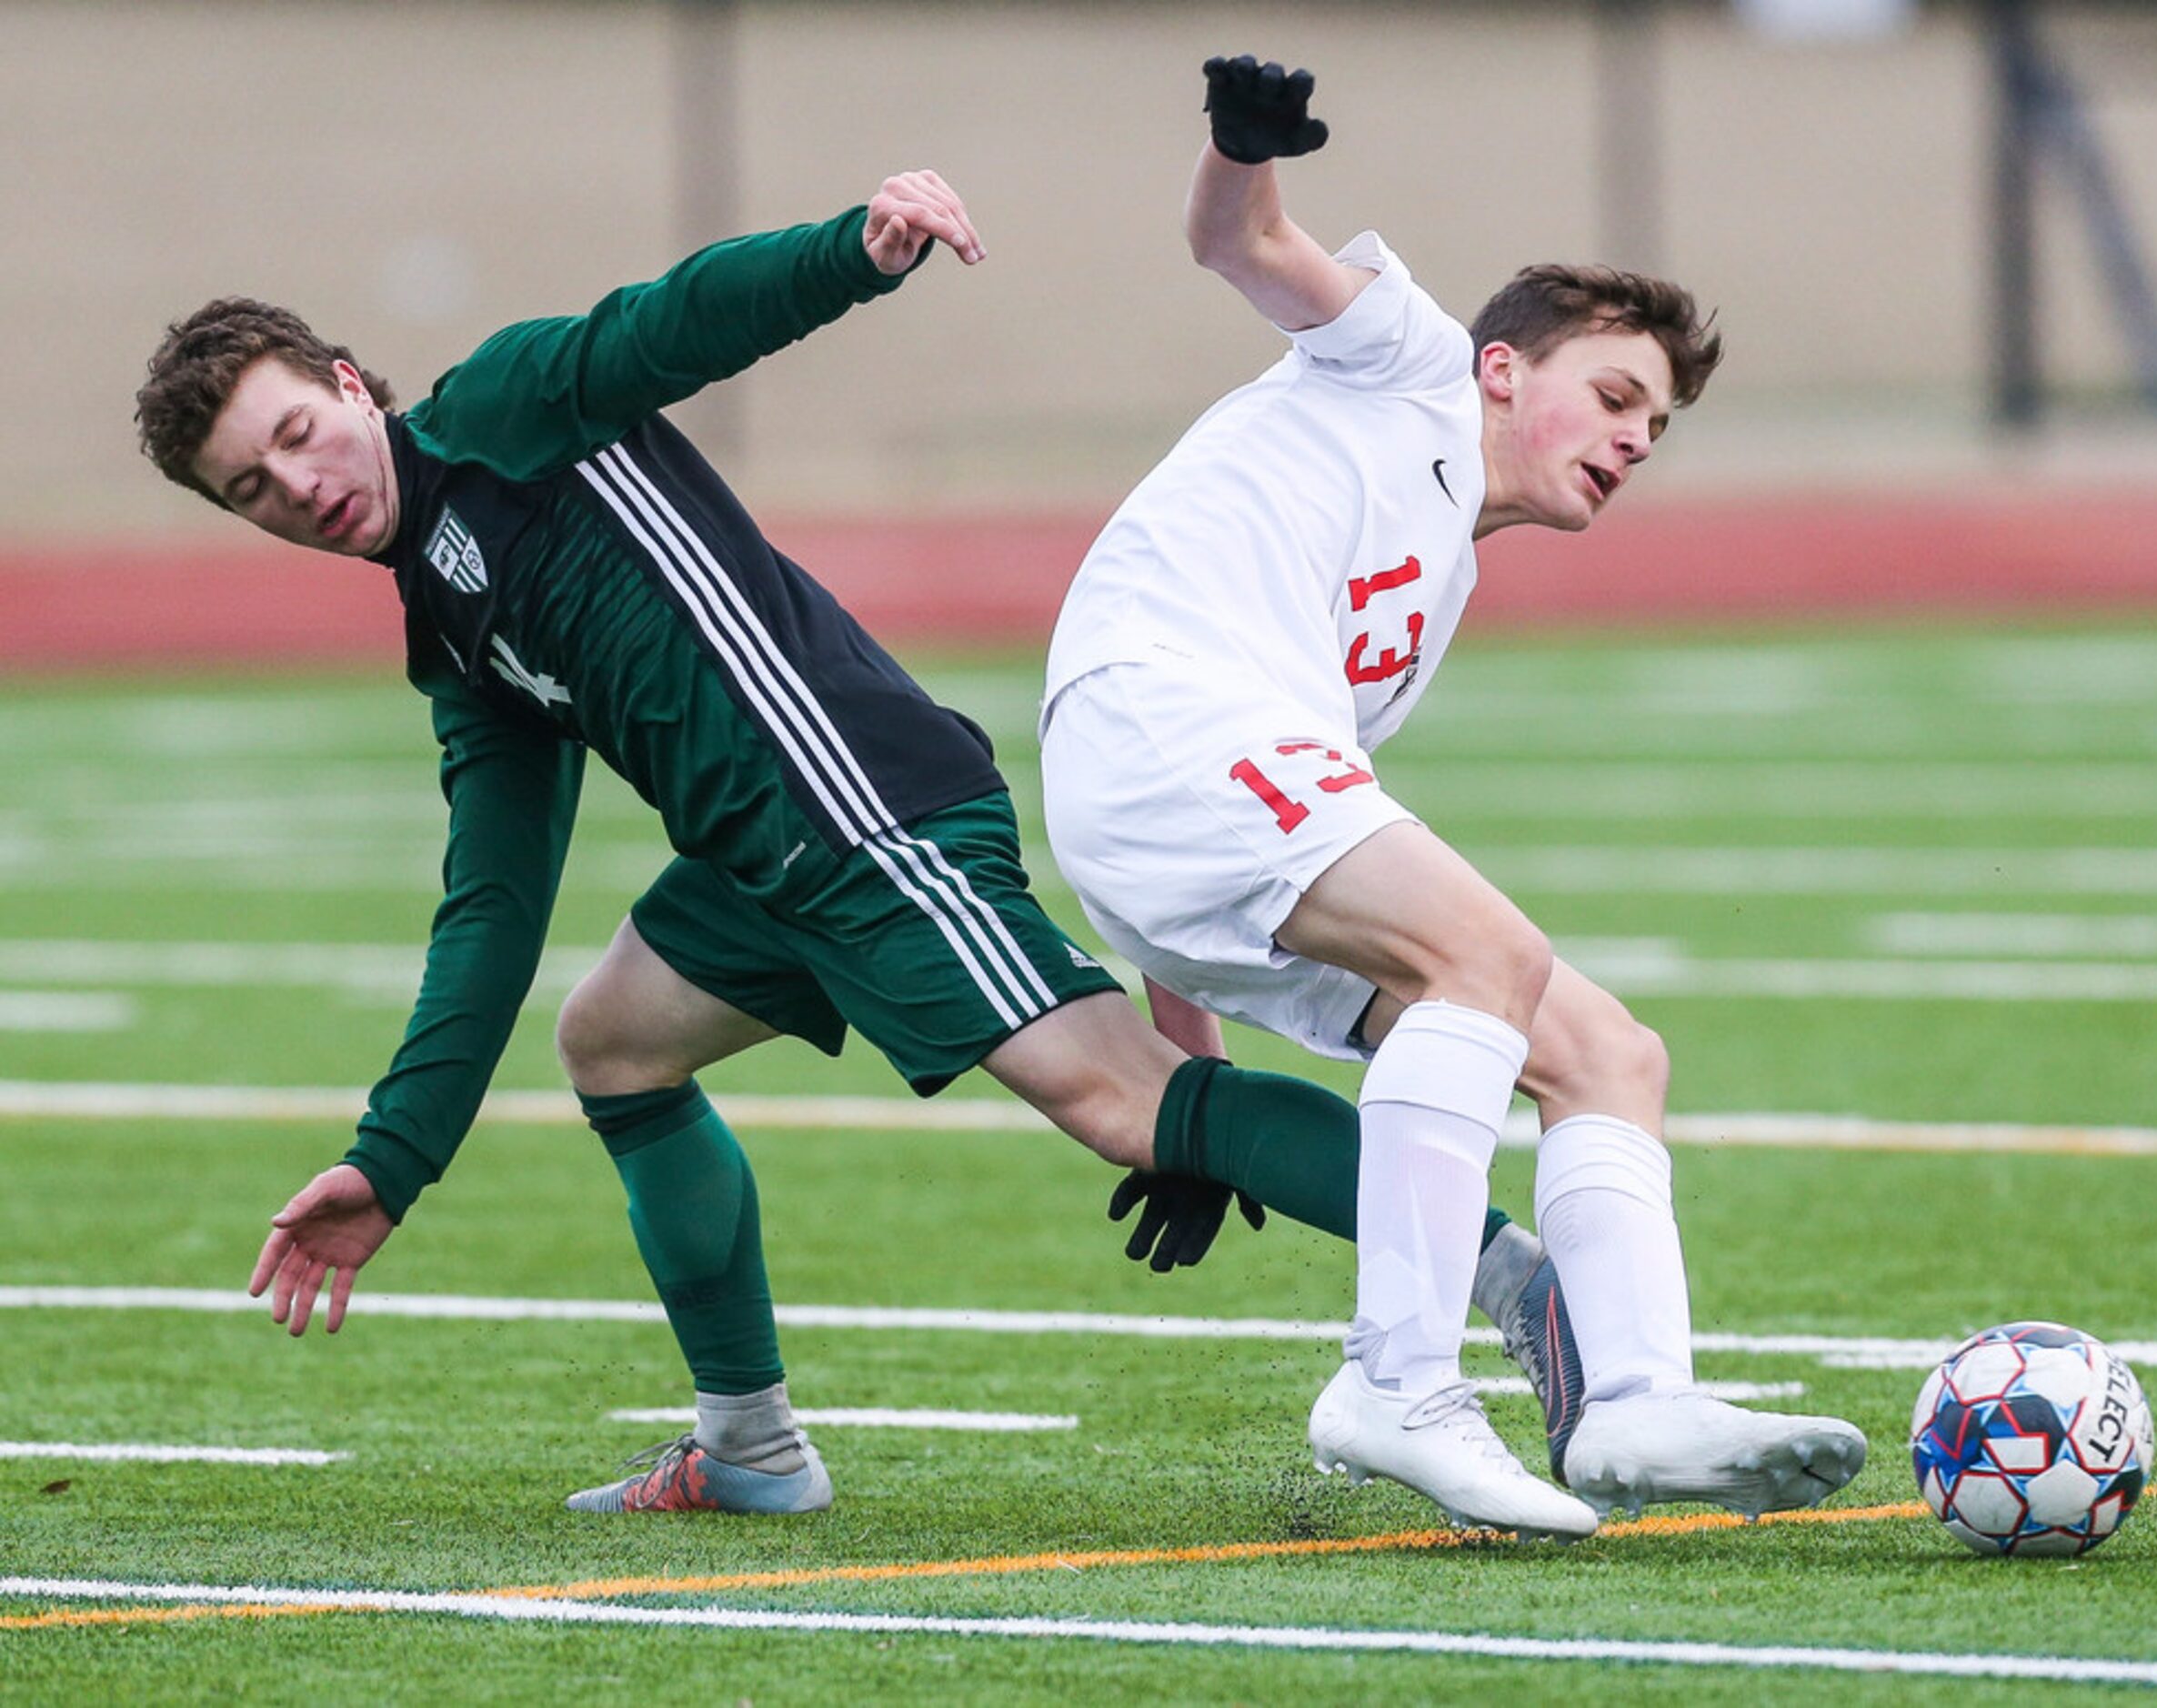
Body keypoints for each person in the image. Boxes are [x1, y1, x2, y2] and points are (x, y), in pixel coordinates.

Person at [134, 168, 1586, 1529]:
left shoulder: (498, 411)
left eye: (294, 435)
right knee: (613, 1042)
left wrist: (852, 251)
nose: (296, 483)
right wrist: (391, 1161)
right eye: (252, 488)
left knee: (1129, 1108)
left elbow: (663, 326)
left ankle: (1519, 1279)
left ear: (343, 385)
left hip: (864, 811)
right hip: (764, 865)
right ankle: (752, 1444)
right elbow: (493, 903)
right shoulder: (449, 632)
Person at [1039, 59, 1869, 1523]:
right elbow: (1240, 242)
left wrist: (1192, 1073)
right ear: (1504, 371)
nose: (1631, 438)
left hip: (1181, 795)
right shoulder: (1414, 357)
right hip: (1151, 716)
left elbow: (1254, 870)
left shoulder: (1433, 589)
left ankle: (1631, 1401)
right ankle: (1396, 1379)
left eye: (1655, 427)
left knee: (1606, 1053)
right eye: (1614, 395)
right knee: (1483, 954)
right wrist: (1242, 148)